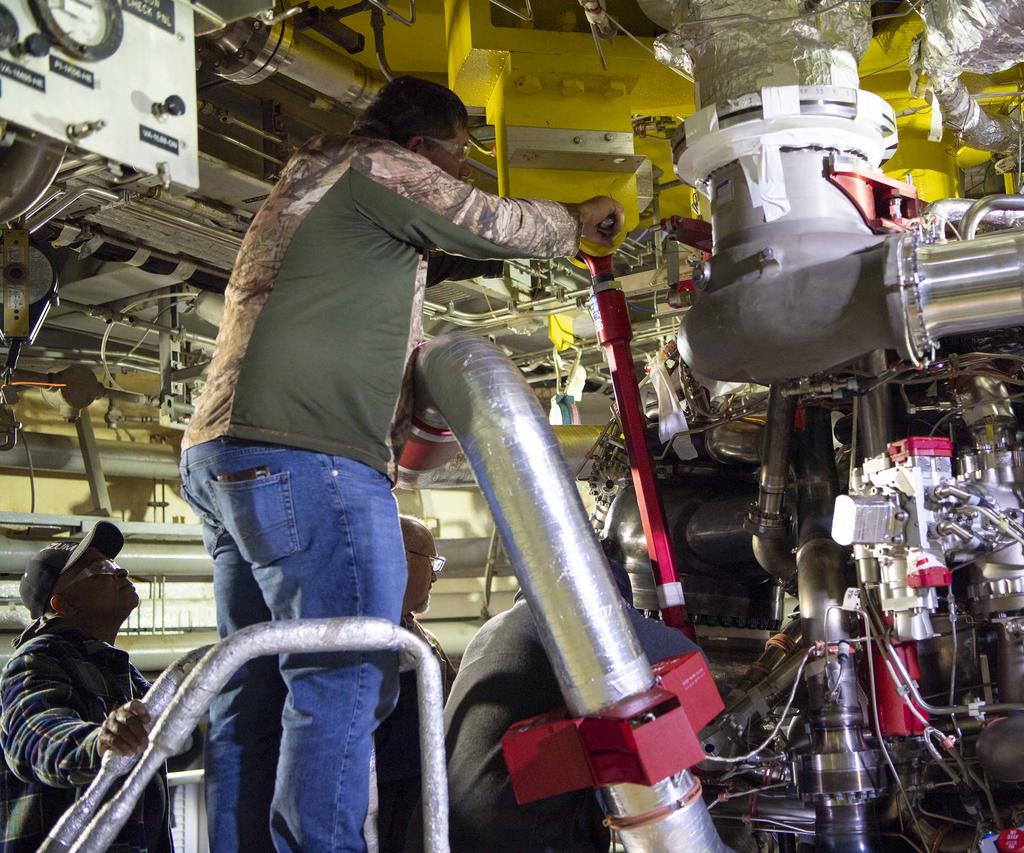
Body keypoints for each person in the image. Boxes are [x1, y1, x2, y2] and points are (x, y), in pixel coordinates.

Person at [179, 73, 623, 853]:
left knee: (248, 690)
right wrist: (578, 222)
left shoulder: (320, 179)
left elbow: (440, 248)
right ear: (422, 146)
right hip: (309, 459)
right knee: (346, 679)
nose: (461, 175)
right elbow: (491, 221)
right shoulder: (381, 167)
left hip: (226, 457)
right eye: (458, 158)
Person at [443, 562, 700, 852]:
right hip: (522, 832)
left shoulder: (494, 629)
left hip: (446, 827)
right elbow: (690, 658)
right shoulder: (576, 619)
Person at [0, 521, 171, 853]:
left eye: (115, 565)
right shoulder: (36, 659)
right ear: (63, 605)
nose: (121, 573)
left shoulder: (124, 675)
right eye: (99, 568)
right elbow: (34, 732)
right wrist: (97, 743)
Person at [372, 515, 454, 853]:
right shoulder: (371, 637)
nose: (435, 575)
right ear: (403, 557)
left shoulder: (419, 637)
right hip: (394, 822)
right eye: (431, 562)